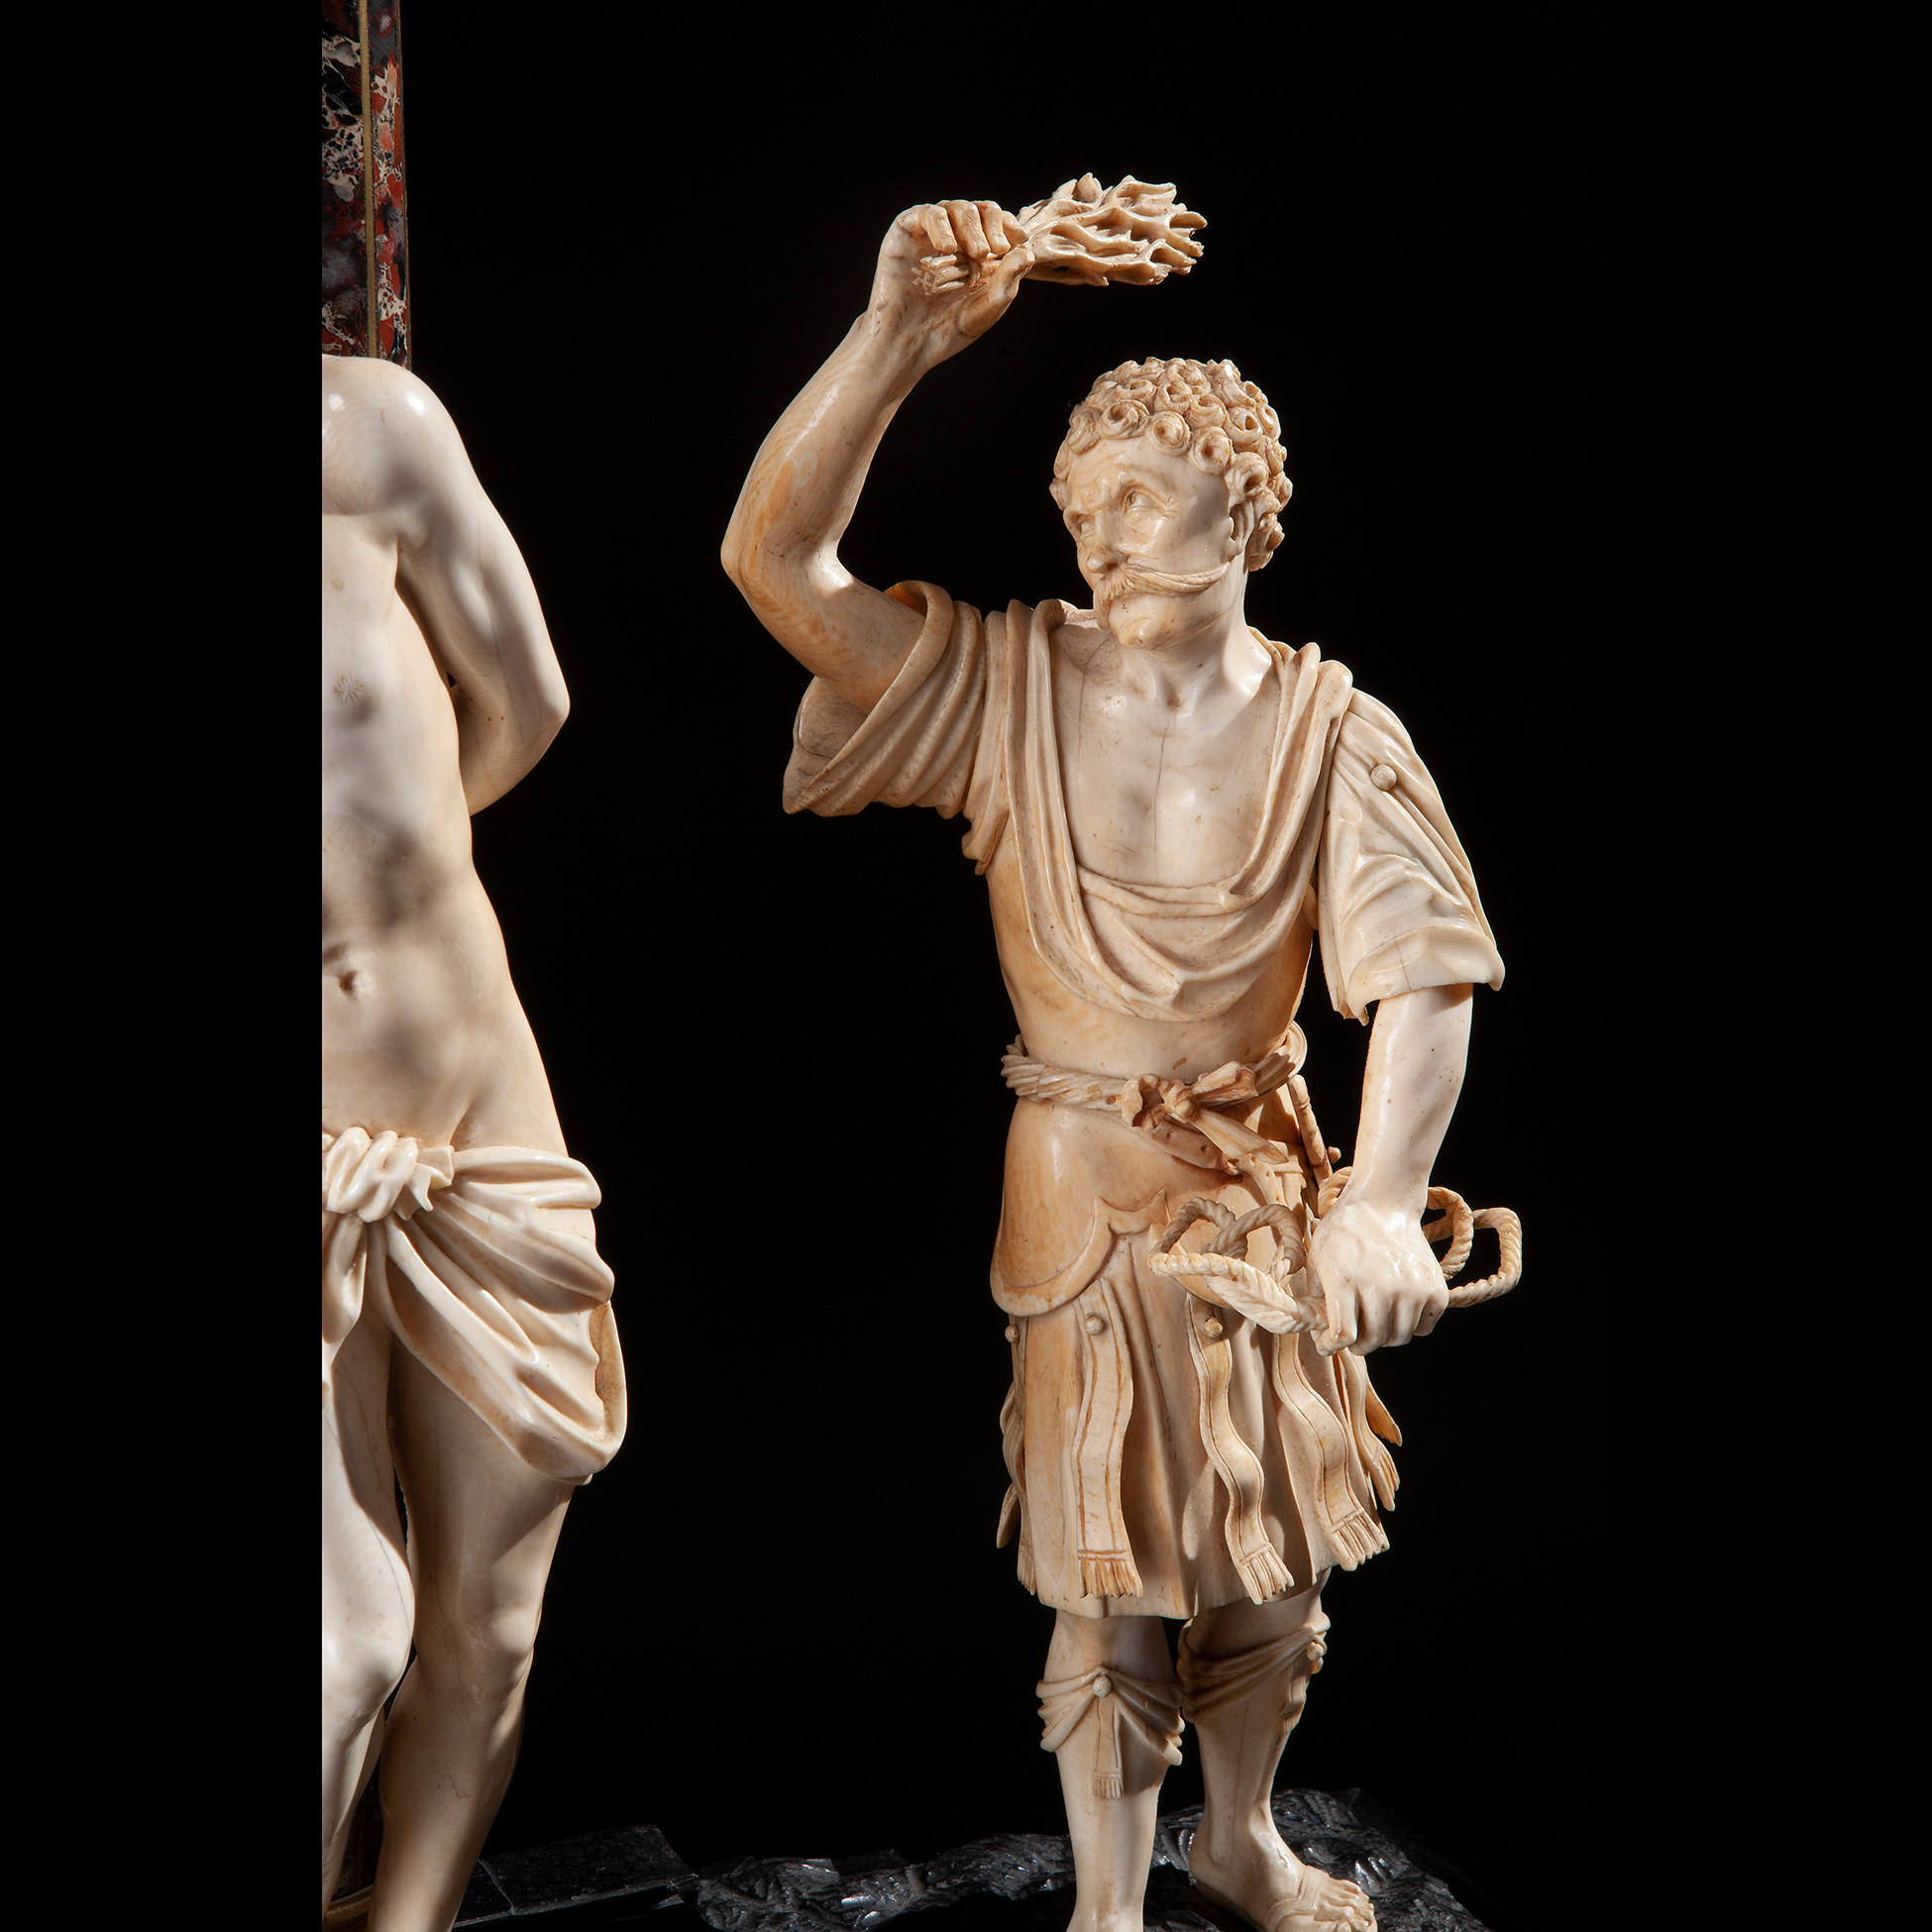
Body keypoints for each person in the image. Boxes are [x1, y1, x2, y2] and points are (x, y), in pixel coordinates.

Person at [720, 200, 1505, 1932]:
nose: (1102, 530)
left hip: (1261, 1188)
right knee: (1105, 1567)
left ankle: (1238, 1837)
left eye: (1142, 495)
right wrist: (894, 340)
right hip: (1078, 1193)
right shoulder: (1003, 682)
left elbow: (1425, 973)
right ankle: (1103, 1903)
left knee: (1274, 1549)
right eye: (1081, 503)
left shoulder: (1329, 728)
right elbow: (776, 566)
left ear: (1247, 506)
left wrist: (1381, 1202)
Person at [322, 353, 626, 1929]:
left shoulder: (370, 425)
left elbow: (526, 701)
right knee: (340, 1653)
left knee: (488, 1628)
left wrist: (404, 882)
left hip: (472, 1102)